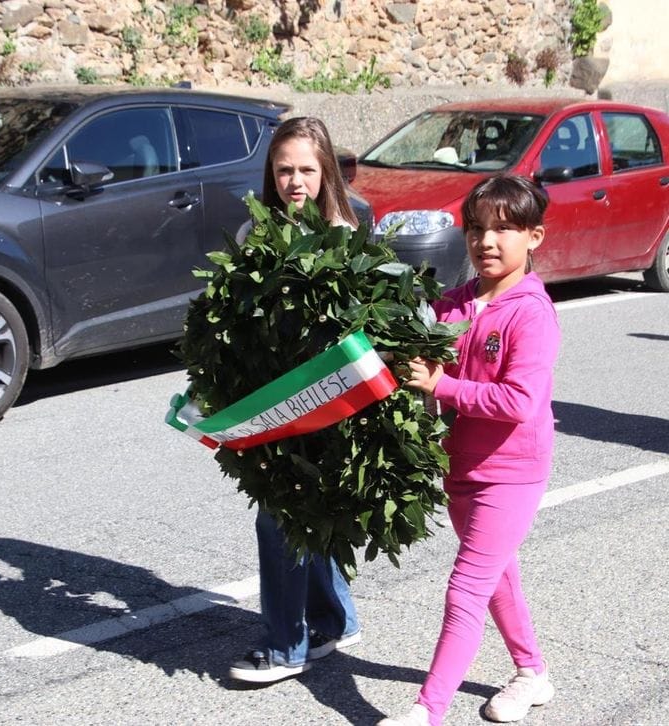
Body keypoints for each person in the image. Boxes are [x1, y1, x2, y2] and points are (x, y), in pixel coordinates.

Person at [378, 174, 559, 725]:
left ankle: (425, 712)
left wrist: (440, 386)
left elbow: (518, 402)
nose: (487, 241)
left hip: (512, 472)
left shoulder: (532, 312)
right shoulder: (454, 306)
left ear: (535, 237)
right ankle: (533, 673)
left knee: (467, 586)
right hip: (458, 466)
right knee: (497, 573)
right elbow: (414, 343)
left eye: (505, 228)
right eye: (477, 228)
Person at [228, 116, 362, 684]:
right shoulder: (249, 238)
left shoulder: (347, 239)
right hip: (272, 399)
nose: (295, 181)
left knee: (279, 516)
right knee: (301, 512)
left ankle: (287, 646)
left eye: (307, 169)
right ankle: (333, 620)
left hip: (326, 403)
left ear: (326, 171)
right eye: (284, 170)